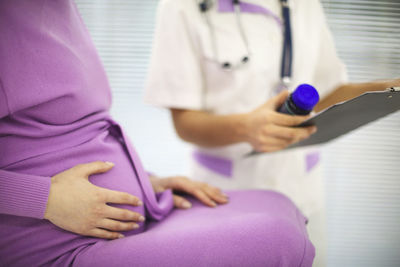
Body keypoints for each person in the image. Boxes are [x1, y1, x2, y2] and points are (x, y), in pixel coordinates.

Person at [0, 0, 315, 266]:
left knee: (275, 205)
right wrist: (46, 199)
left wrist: (145, 180)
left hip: (137, 211)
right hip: (58, 242)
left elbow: (75, 131)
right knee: (279, 239)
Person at [144, 0, 400, 266]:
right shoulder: (181, 6)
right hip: (229, 192)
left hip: (301, 188)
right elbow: (185, 122)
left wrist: (389, 88)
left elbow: (327, 93)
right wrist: (246, 128)